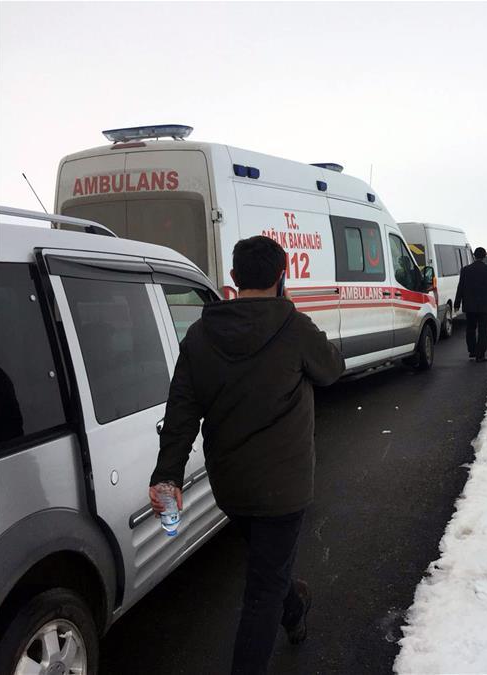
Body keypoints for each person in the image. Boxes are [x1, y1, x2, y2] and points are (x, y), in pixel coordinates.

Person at [148, 235, 344, 675]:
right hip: (285, 489)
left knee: (268, 570)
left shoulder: (200, 335)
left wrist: (168, 477)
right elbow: (332, 370)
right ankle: (288, 608)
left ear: (233, 279)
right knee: (262, 590)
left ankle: (294, 608)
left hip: (231, 486)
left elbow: (181, 411)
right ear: (283, 275)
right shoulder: (294, 327)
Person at [454, 246, 487, 362]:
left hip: (469, 306)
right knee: (483, 330)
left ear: (474, 256)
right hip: (486, 306)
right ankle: (481, 355)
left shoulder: (465, 270)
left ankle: (472, 351)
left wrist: (457, 303)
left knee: (470, 329)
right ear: (484, 256)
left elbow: (461, 287)